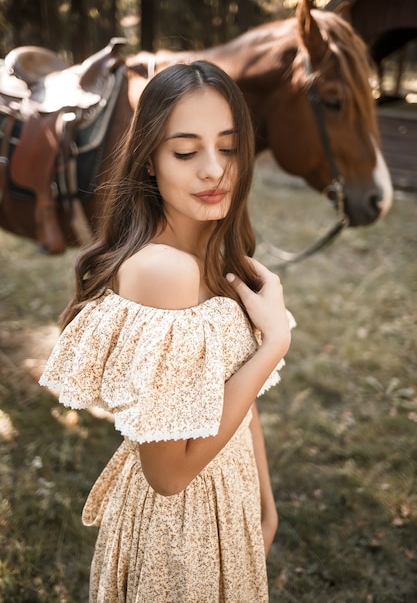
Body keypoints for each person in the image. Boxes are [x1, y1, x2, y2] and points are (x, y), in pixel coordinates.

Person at [39, 60, 294, 602]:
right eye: (185, 151)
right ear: (150, 161)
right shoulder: (165, 273)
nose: (213, 170)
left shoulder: (211, 252)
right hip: (179, 534)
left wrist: (265, 506)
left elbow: (235, 403)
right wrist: (273, 344)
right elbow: (170, 475)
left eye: (227, 147)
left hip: (231, 500)